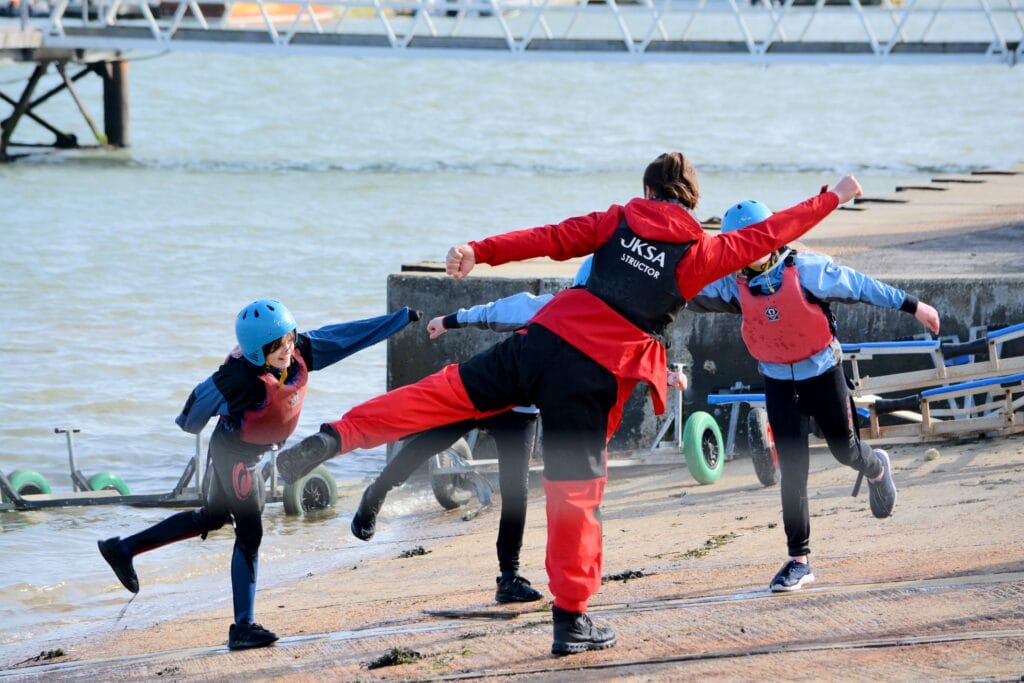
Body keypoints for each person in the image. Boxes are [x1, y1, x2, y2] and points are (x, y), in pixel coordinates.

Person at [276, 152, 863, 656]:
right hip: (591, 375)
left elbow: (551, 239)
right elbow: (769, 233)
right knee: (573, 494)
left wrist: (479, 250)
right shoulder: (701, 254)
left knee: (441, 394)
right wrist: (831, 196)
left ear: (647, 193)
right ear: (689, 203)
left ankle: (338, 435)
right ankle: (572, 620)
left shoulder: (615, 223)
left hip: (542, 339)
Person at [96, 299, 419, 650]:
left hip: (239, 451)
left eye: (288, 340)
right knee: (250, 533)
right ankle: (243, 628)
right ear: (254, 352)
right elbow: (190, 419)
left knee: (214, 517)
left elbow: (345, 337)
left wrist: (398, 320)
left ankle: (122, 549)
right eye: (275, 347)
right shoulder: (236, 381)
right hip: (236, 457)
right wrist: (216, 409)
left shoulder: (299, 353)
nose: (286, 350)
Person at [687, 199, 940, 593]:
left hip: (822, 373)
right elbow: (683, 288)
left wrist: (914, 306)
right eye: (737, 244)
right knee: (793, 470)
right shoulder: (730, 282)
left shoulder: (807, 270)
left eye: (752, 241)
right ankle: (799, 560)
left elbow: (860, 286)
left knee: (845, 451)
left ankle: (875, 469)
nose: (744, 252)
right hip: (777, 380)